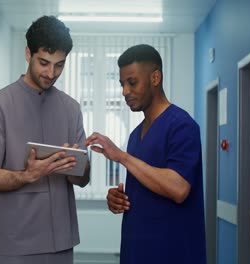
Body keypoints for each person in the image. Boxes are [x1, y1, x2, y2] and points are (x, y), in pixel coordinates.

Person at [0, 15, 90, 264]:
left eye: (59, 65)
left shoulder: (71, 109)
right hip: (12, 244)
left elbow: (84, 179)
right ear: (28, 53)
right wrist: (27, 175)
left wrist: (73, 167)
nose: (51, 73)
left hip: (60, 244)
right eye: (44, 62)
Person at [85, 44, 206, 264]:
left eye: (132, 82)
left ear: (155, 77)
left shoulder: (182, 126)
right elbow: (145, 185)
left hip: (173, 253)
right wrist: (119, 200)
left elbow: (178, 188)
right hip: (137, 250)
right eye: (122, 84)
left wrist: (121, 157)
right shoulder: (135, 136)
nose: (125, 92)